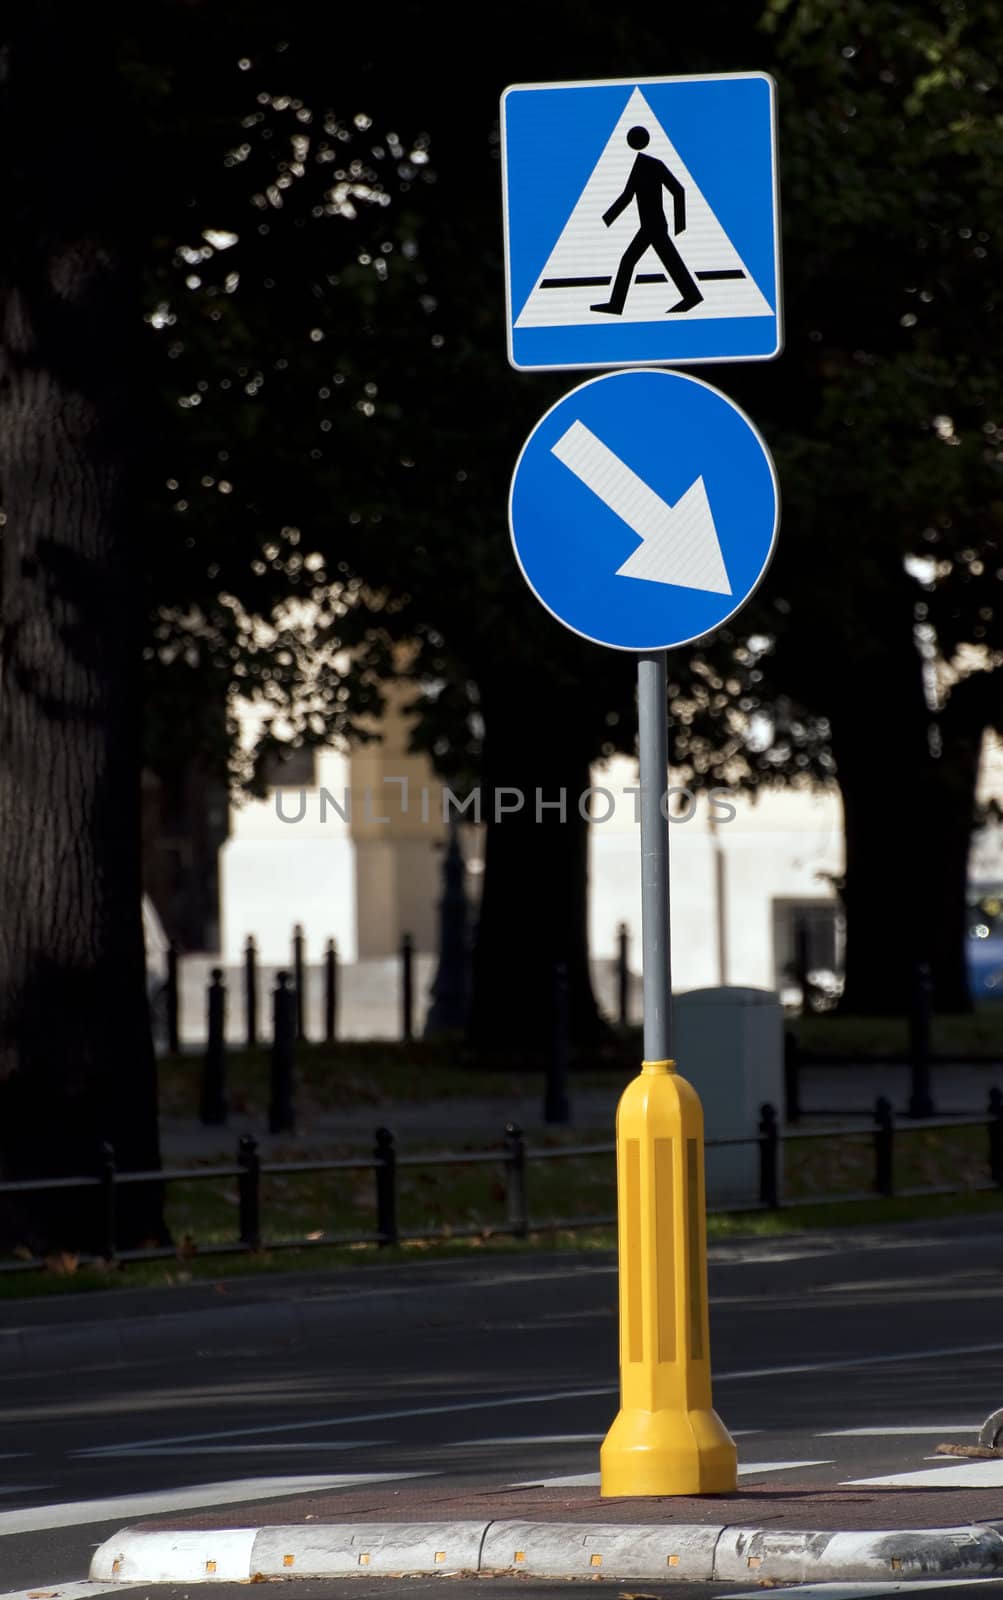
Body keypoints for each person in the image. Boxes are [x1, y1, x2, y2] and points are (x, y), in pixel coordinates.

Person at [591, 126, 703, 317]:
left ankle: (617, 305)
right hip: (650, 225)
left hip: (655, 225)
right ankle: (691, 295)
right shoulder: (640, 165)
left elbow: (678, 190)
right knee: (665, 260)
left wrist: (680, 225)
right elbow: (627, 196)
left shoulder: (651, 164)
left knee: (631, 261)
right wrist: (606, 219)